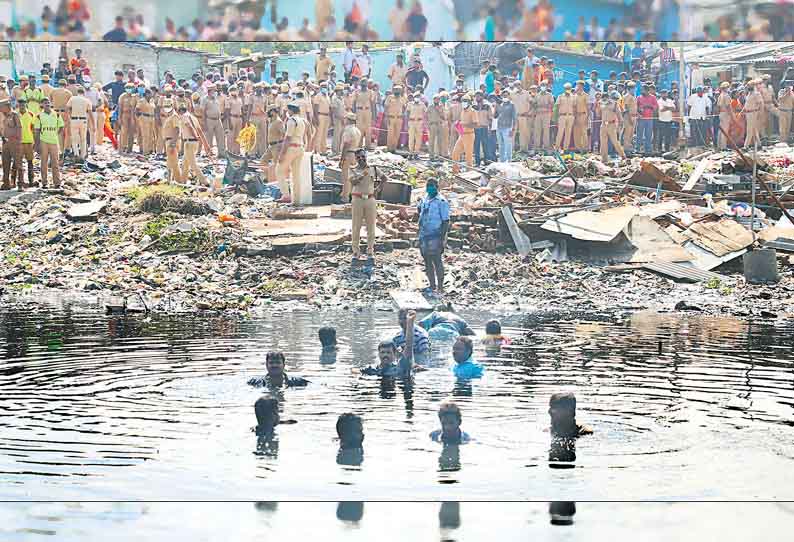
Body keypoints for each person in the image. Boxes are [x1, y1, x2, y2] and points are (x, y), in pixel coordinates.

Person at [417, 178, 450, 292]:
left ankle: (440, 287)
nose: (430, 188)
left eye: (432, 186)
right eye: (428, 185)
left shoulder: (441, 201)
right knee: (427, 261)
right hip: (424, 235)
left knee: (437, 261)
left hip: (436, 235)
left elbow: (446, 221)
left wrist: (442, 238)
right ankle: (432, 285)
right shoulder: (425, 199)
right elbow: (420, 212)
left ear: (437, 187)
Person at [277, 102, 311, 205]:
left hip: (291, 147)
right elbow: (309, 134)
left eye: (288, 110)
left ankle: (286, 195)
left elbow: (288, 138)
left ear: (291, 111)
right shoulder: (303, 121)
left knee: (279, 170)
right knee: (296, 175)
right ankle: (296, 200)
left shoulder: (291, 121)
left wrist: (282, 153)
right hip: (300, 147)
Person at [349, 148, 378, 261]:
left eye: (363, 156)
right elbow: (353, 182)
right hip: (357, 199)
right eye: (358, 157)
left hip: (370, 199)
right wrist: (361, 175)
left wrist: (378, 189)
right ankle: (356, 251)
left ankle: (370, 250)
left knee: (371, 226)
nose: (361, 159)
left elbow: (384, 178)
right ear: (356, 159)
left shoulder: (373, 169)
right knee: (356, 226)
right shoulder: (353, 170)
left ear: (366, 156)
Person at [177, 103, 212, 185]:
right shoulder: (193, 117)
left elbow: (190, 127)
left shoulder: (184, 116)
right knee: (185, 163)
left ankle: (204, 181)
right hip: (194, 143)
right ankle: (183, 181)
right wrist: (206, 146)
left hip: (189, 142)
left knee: (193, 164)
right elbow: (200, 131)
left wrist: (195, 136)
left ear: (181, 111)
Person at [36, 98, 65, 188]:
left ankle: (57, 183)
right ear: (42, 105)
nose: (47, 104)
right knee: (43, 163)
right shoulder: (39, 116)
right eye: (45, 103)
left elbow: (61, 126)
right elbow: (37, 130)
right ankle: (44, 182)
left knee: (55, 163)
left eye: (48, 102)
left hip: (54, 141)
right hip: (43, 141)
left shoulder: (56, 114)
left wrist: (56, 134)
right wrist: (37, 144)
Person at [338, 112, 361, 202]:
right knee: (352, 177)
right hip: (354, 154)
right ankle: (350, 196)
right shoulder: (357, 130)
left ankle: (345, 197)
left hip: (348, 154)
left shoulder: (348, 130)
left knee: (346, 178)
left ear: (348, 120)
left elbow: (346, 145)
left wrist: (342, 158)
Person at [0, 98, 22, 190]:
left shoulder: (14, 115)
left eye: (1, 107)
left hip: (14, 142)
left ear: (6, 107)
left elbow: (19, 128)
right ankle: (6, 183)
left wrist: (17, 141)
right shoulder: (3, 116)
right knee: (5, 164)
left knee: (18, 164)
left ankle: (20, 184)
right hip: (5, 143)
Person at [17, 100, 36, 188]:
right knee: (18, 163)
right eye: (20, 105)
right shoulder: (15, 115)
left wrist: (35, 141)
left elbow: (34, 128)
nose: (22, 106)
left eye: (23, 105)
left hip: (29, 141)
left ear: (26, 105)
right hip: (19, 142)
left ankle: (31, 181)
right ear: (18, 105)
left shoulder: (31, 114)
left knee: (30, 162)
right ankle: (19, 183)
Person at [495, 90, 517, 162]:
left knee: (508, 145)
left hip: (508, 127)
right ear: (501, 96)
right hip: (499, 127)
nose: (505, 97)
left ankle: (509, 160)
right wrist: (495, 106)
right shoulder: (499, 104)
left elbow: (514, 118)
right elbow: (495, 115)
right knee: (501, 145)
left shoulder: (512, 105)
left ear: (509, 96)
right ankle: (502, 160)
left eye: (506, 95)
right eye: (504, 95)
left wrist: (513, 129)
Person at [636, 84, 657, 155]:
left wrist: (648, 106)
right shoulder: (639, 97)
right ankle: (638, 148)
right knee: (639, 134)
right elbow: (636, 107)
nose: (642, 91)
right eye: (642, 90)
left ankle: (648, 149)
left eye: (643, 90)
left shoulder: (653, 97)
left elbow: (655, 107)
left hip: (650, 118)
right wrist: (639, 110)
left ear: (647, 91)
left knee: (648, 134)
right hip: (641, 118)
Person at [555, 82, 575, 151]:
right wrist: (556, 117)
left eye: (569, 88)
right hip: (562, 116)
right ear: (564, 89)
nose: (568, 89)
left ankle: (566, 148)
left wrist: (574, 116)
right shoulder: (560, 96)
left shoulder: (573, 97)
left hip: (570, 116)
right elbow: (557, 107)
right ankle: (557, 148)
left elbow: (575, 107)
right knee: (560, 132)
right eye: (566, 88)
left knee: (568, 133)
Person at [406, 91, 426, 156]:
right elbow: (407, 113)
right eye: (416, 96)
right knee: (411, 138)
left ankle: (416, 153)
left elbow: (425, 113)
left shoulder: (422, 104)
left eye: (418, 96)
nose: (417, 97)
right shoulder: (410, 104)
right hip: (411, 122)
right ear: (414, 97)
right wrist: (407, 123)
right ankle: (411, 152)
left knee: (419, 138)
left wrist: (425, 123)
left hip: (419, 122)